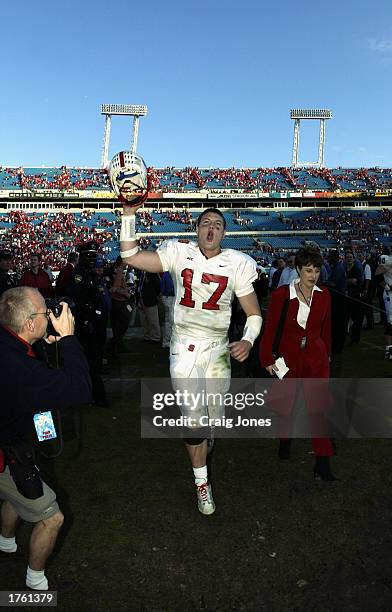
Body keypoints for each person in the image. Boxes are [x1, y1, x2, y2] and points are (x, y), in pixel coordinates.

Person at [119, 202, 262, 515]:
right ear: (197, 228)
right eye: (205, 222)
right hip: (184, 348)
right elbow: (130, 255)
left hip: (219, 351)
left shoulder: (237, 263)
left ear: (224, 232)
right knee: (193, 419)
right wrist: (128, 214)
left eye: (217, 224)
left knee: (214, 417)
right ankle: (201, 483)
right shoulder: (178, 252)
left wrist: (248, 340)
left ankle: (204, 442)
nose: (211, 228)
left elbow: (253, 313)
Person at [0, 287, 92, 590]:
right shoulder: (21, 370)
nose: (50, 313)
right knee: (52, 518)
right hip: (6, 453)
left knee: (17, 492)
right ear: (28, 324)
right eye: (43, 312)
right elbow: (79, 388)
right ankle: (35, 581)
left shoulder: (9, 344)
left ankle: (6, 542)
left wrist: (41, 342)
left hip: (13, 443)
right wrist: (67, 339)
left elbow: (24, 362)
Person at [259, 247, 336, 481]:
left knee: (317, 408)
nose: (313, 275)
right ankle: (284, 440)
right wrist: (266, 359)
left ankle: (322, 463)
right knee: (286, 405)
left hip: (316, 357)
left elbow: (326, 329)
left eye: (317, 270)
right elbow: (270, 329)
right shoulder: (282, 295)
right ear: (299, 270)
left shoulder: (324, 295)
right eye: (308, 270)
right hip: (288, 358)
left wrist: (328, 353)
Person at [67, 242, 109, 407]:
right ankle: (96, 396)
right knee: (89, 362)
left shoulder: (91, 275)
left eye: (94, 255)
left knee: (95, 361)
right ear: (81, 257)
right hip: (86, 326)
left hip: (96, 324)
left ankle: (92, 395)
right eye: (89, 256)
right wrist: (85, 321)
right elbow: (77, 301)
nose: (93, 259)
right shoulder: (78, 275)